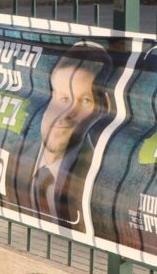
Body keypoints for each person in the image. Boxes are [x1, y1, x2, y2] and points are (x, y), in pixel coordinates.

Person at [26, 41, 112, 227]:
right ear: (48, 97)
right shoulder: (14, 157)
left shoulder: (101, 181)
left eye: (85, 100)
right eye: (63, 98)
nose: (67, 114)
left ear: (102, 110)